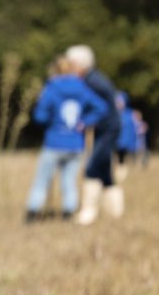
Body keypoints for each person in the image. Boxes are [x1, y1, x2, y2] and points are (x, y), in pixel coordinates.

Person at [25, 56, 109, 222]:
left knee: (42, 180)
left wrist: (51, 121)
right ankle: (68, 212)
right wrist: (85, 122)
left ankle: (33, 212)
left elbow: (40, 116)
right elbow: (102, 107)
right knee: (69, 181)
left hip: (54, 142)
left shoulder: (51, 88)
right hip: (76, 143)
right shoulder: (82, 87)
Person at [65, 45, 123, 224]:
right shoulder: (94, 78)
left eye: (71, 63)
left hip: (108, 129)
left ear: (80, 64)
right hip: (105, 128)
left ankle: (88, 212)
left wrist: (85, 122)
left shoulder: (92, 82)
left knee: (92, 167)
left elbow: (104, 108)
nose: (69, 66)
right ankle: (116, 212)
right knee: (104, 171)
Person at [114, 91, 137, 182]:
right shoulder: (113, 114)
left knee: (122, 160)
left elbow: (132, 131)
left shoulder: (129, 115)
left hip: (125, 143)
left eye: (121, 102)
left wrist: (132, 144)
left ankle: (121, 176)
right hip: (114, 142)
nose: (119, 104)